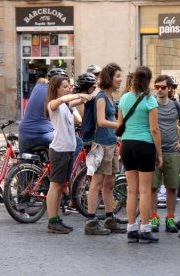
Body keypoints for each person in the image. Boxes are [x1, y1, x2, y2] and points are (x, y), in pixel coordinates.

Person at [118, 66, 162, 244]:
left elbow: (119, 124)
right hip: (144, 145)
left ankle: (131, 228)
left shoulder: (124, 98)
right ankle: (145, 228)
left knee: (131, 190)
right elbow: (154, 129)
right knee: (145, 190)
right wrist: (159, 153)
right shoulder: (150, 100)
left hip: (127, 144)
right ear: (149, 81)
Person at [44, 75, 91, 234]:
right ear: (56, 88)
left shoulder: (66, 105)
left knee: (61, 186)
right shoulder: (53, 104)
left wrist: (88, 97)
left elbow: (77, 108)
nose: (68, 88)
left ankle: (56, 219)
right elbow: (65, 100)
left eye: (68, 86)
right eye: (65, 86)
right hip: (59, 150)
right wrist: (79, 95)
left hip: (68, 149)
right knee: (55, 186)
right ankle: (52, 221)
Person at [84, 63, 126, 235]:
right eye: (117, 76)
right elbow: (100, 121)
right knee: (96, 183)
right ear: (109, 78)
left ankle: (110, 219)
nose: (120, 79)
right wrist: (119, 124)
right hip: (100, 145)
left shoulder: (110, 98)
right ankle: (91, 221)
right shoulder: (101, 97)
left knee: (109, 184)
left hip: (111, 143)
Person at [150, 75, 180, 233]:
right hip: (153, 152)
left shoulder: (176, 106)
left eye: (163, 87)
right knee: (153, 188)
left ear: (170, 88)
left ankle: (170, 218)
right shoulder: (150, 104)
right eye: (157, 87)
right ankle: (154, 218)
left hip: (172, 151)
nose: (159, 90)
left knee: (172, 187)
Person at [18, 68, 69, 156]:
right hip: (43, 134)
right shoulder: (53, 94)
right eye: (64, 85)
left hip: (24, 134)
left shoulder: (38, 86)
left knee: (25, 164)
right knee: (73, 143)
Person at [81, 65, 102, 142]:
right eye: (96, 74)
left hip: (96, 130)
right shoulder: (87, 89)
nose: (98, 76)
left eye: (99, 74)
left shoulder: (98, 89)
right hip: (89, 129)